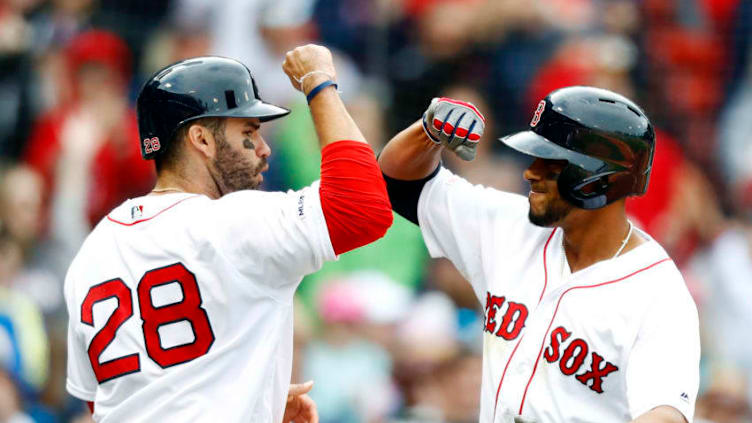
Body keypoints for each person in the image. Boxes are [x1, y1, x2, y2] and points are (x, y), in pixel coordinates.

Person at [64, 45, 393, 422]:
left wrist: (249, 394)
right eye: (249, 132)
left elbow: (109, 398)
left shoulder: (94, 248)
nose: (265, 149)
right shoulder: (234, 221)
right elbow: (363, 207)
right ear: (201, 139)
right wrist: (319, 84)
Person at [379, 88, 700, 423]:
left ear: (598, 179)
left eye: (551, 163)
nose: (530, 172)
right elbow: (398, 183)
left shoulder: (658, 293)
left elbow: (664, 415)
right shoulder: (510, 226)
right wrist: (428, 134)